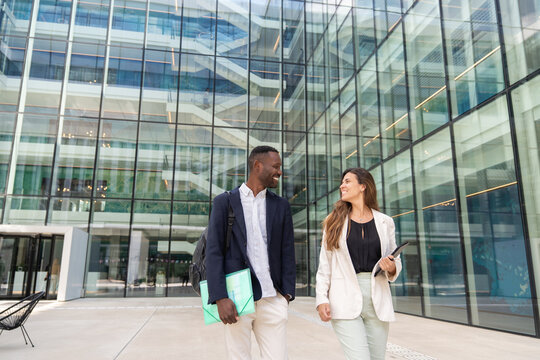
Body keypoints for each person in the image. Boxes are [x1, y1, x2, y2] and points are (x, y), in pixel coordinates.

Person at [206, 145, 296, 360]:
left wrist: (286, 295)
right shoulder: (224, 202)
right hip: (237, 301)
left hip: (272, 299)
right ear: (257, 166)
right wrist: (220, 297)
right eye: (275, 166)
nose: (279, 172)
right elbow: (214, 252)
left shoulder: (281, 205)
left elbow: (288, 252)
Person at [315, 168, 402, 360]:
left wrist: (391, 267)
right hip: (344, 296)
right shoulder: (333, 222)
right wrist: (321, 298)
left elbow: (395, 260)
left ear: (363, 186)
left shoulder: (385, 222)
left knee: (377, 357)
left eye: (347, 181)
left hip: (376, 297)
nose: (342, 186)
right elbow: (325, 265)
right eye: (342, 182)